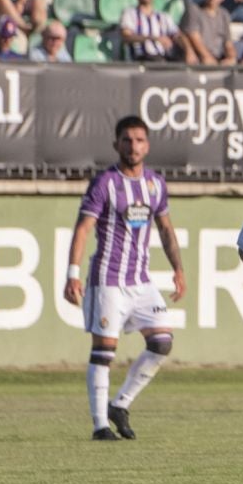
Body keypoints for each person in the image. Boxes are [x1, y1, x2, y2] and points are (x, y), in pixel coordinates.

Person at [62, 117, 185, 442]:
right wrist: (72, 274)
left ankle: (121, 404)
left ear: (148, 144)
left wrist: (178, 268)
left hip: (141, 280)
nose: (134, 146)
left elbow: (166, 229)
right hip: (108, 280)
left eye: (140, 140)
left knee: (162, 342)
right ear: (116, 144)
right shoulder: (104, 183)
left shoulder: (156, 184)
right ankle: (100, 425)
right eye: (127, 140)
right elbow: (83, 228)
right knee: (105, 350)